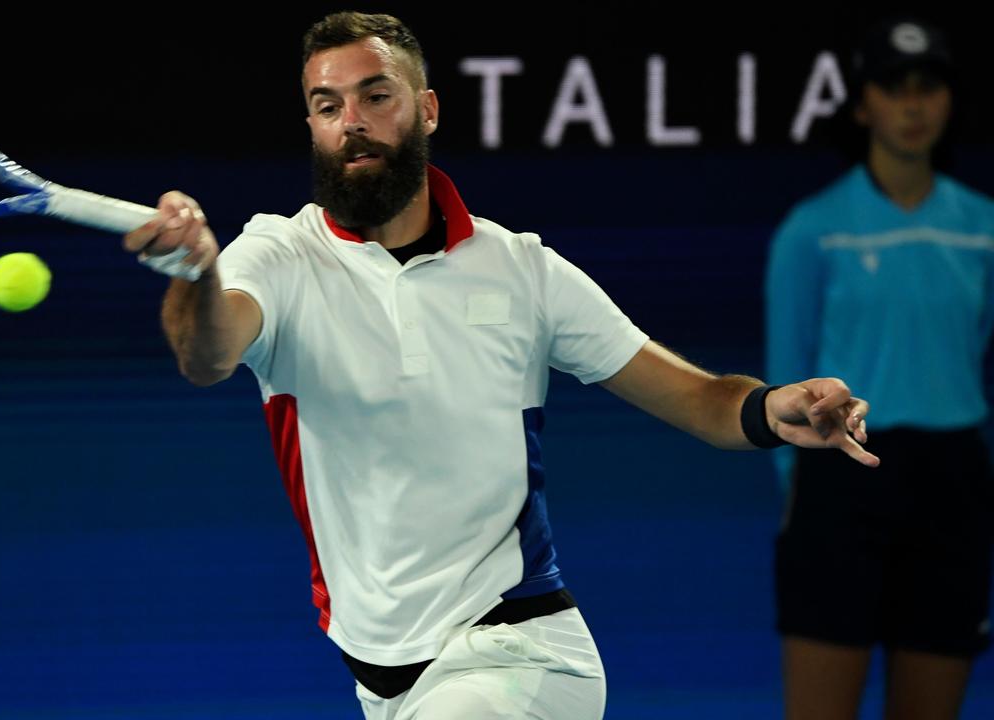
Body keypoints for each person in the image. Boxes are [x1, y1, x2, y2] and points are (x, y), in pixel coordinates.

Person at [127, 12, 876, 720]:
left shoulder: (521, 269)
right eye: (327, 105)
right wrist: (196, 275)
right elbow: (209, 354)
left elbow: (702, 399)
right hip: (383, 680)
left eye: (374, 96)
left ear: (427, 110)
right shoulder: (277, 256)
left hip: (519, 650)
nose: (350, 121)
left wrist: (774, 407)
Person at [766, 15, 993, 720]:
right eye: (894, 88)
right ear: (864, 104)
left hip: (953, 485)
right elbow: (783, 377)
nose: (913, 104)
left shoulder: (984, 228)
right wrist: (806, 490)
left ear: (949, 101)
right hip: (842, 480)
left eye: (928, 87)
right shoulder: (812, 228)